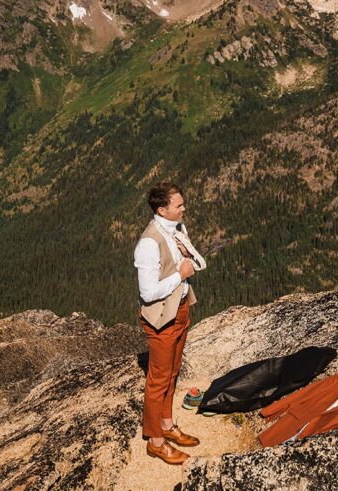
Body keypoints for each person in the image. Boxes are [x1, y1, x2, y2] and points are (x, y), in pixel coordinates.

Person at [134, 182, 206, 465]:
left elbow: (186, 263)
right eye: (179, 205)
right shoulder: (148, 244)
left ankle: (167, 424)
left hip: (181, 310)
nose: (184, 208)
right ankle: (155, 441)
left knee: (173, 372)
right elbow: (147, 293)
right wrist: (181, 274)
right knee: (158, 380)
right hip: (161, 319)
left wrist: (187, 263)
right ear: (162, 209)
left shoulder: (178, 229)